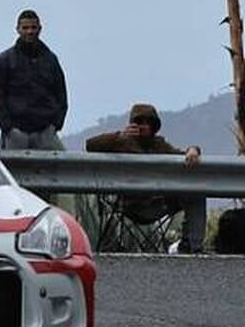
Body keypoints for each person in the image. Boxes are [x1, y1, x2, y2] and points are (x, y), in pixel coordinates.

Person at [86, 104, 205, 253]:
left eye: (149, 123)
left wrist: (193, 149)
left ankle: (192, 246)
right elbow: (90, 144)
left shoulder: (159, 145)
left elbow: (181, 156)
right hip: (129, 205)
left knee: (197, 192)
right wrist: (120, 136)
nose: (144, 126)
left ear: (154, 126)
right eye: (139, 122)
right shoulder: (120, 142)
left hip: (157, 203)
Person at [0, 9, 68, 150]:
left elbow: (61, 94)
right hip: (16, 134)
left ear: (40, 29)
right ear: (17, 29)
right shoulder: (4, 61)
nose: (29, 31)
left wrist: (56, 124)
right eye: (25, 28)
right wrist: (8, 128)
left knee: (59, 171)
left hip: (46, 133)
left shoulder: (51, 60)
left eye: (33, 27)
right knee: (12, 172)